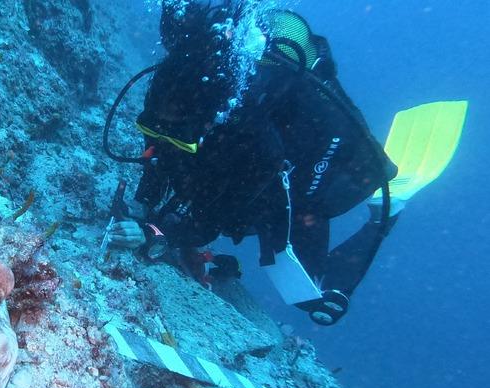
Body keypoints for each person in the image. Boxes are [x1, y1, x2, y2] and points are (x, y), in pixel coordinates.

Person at [101, 3, 462, 325]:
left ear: (211, 121)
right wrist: (145, 201)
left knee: (312, 291)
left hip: (324, 167)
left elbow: (217, 217)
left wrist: (157, 233)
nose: (165, 140)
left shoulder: (250, 134)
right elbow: (158, 150)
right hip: (233, 154)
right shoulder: (176, 84)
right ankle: (216, 248)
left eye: (182, 137)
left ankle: (386, 212)